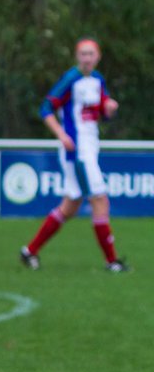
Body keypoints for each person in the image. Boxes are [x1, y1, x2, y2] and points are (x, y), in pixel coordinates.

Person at [20, 38, 127, 272]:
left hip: (90, 147)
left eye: (91, 54)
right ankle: (112, 262)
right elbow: (46, 108)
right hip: (77, 151)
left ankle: (29, 251)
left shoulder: (98, 80)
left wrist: (109, 108)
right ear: (77, 57)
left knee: (70, 206)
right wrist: (60, 134)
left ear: (98, 57)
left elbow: (100, 112)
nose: (87, 58)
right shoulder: (71, 79)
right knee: (99, 199)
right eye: (83, 54)